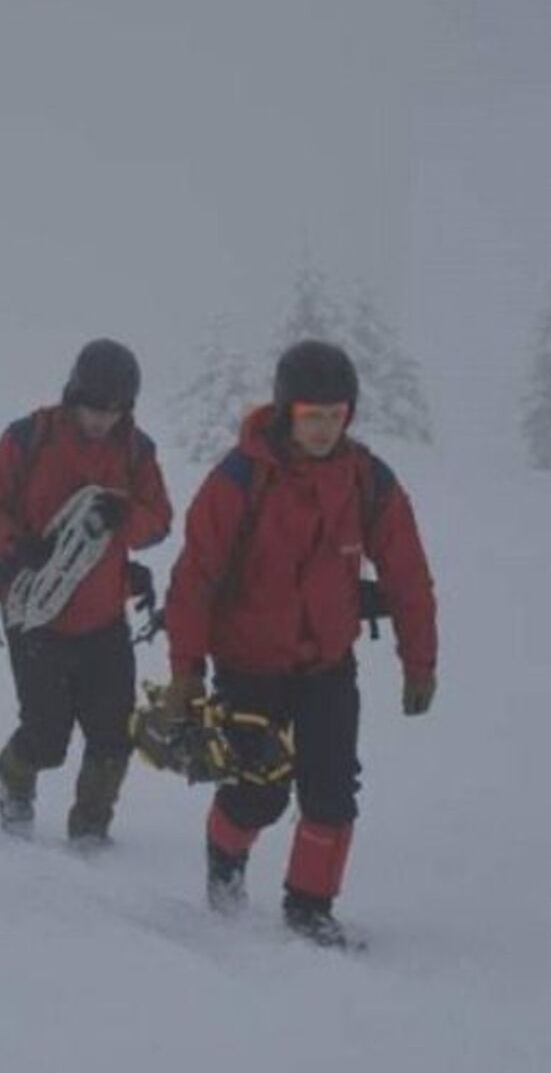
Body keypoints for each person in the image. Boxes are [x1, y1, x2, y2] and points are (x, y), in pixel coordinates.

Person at [160, 339, 438, 947]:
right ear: (288, 411)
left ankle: (309, 908)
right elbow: (193, 580)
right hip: (248, 663)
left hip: (327, 667)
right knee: (258, 791)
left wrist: (419, 663)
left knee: (332, 791)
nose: (324, 428)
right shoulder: (240, 479)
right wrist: (186, 673)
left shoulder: (368, 480)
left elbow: (408, 575)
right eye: (313, 416)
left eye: (337, 416)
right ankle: (224, 867)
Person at [0, 339, 173, 845]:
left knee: (112, 733)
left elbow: (159, 519)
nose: (102, 419)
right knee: (46, 736)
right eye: (93, 407)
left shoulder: (137, 451)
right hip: (34, 615)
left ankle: (91, 832)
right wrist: (15, 546)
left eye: (113, 410)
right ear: (73, 395)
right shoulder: (28, 438)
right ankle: (15, 780)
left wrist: (124, 517)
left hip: (104, 616)